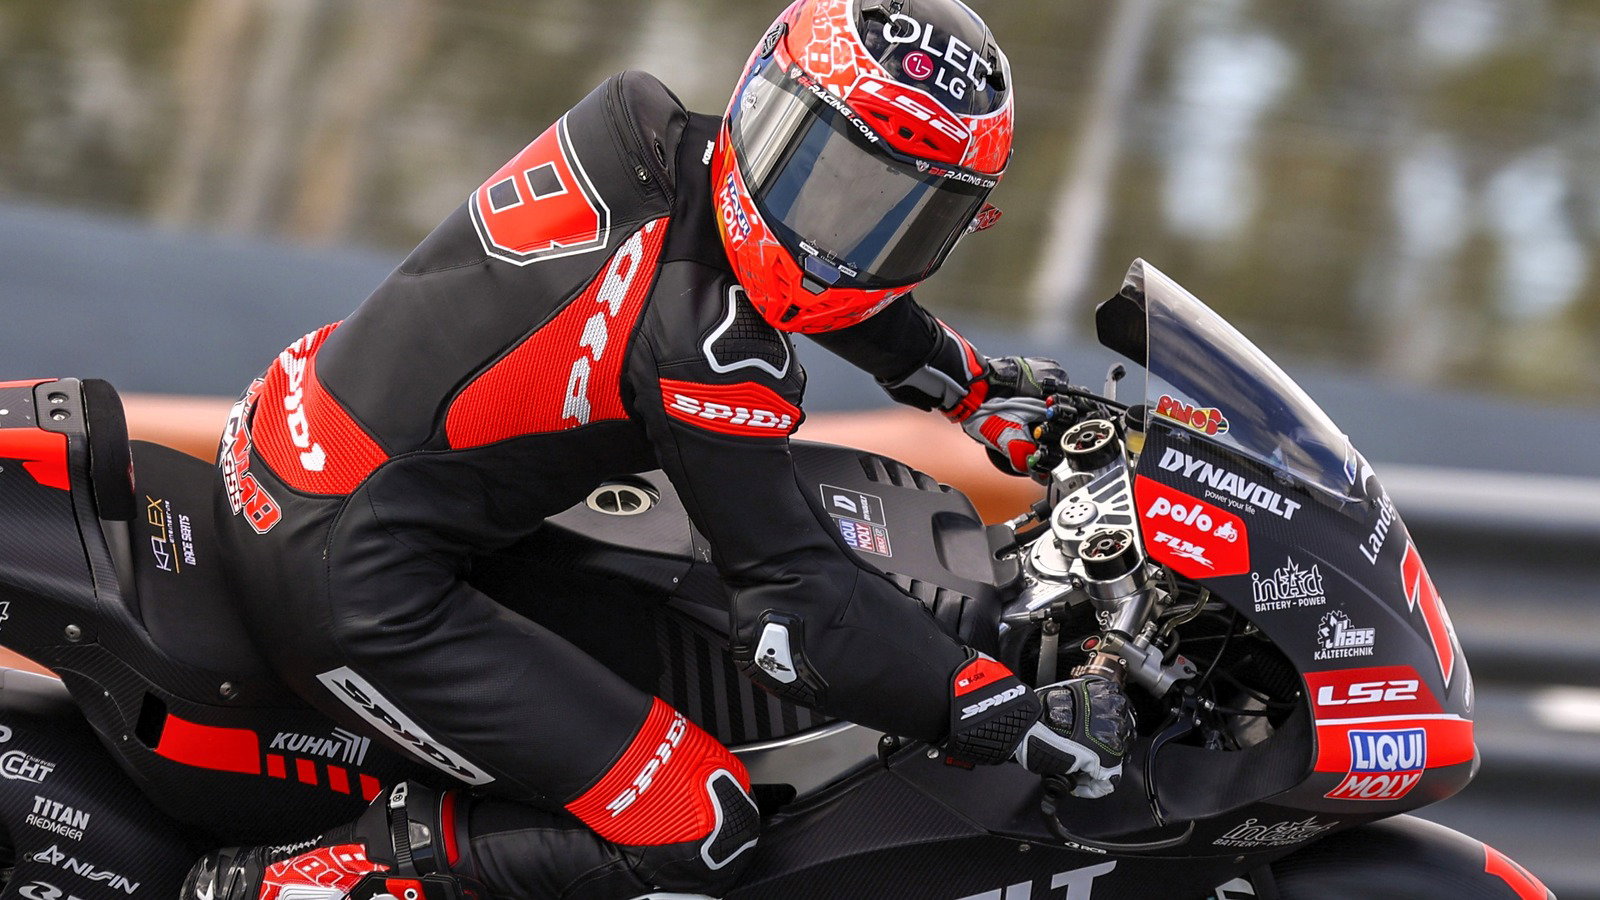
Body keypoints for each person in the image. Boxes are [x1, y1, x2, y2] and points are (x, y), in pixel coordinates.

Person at [185, 1, 1133, 899]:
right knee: (701, 822)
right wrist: (994, 708)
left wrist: (973, 386)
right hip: (353, 568)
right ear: (762, 96)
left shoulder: (640, 125)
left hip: (293, 431)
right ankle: (303, 878)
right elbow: (798, 610)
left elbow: (792, 269)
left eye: (895, 216)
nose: (833, 234)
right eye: (821, 173)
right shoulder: (709, 349)